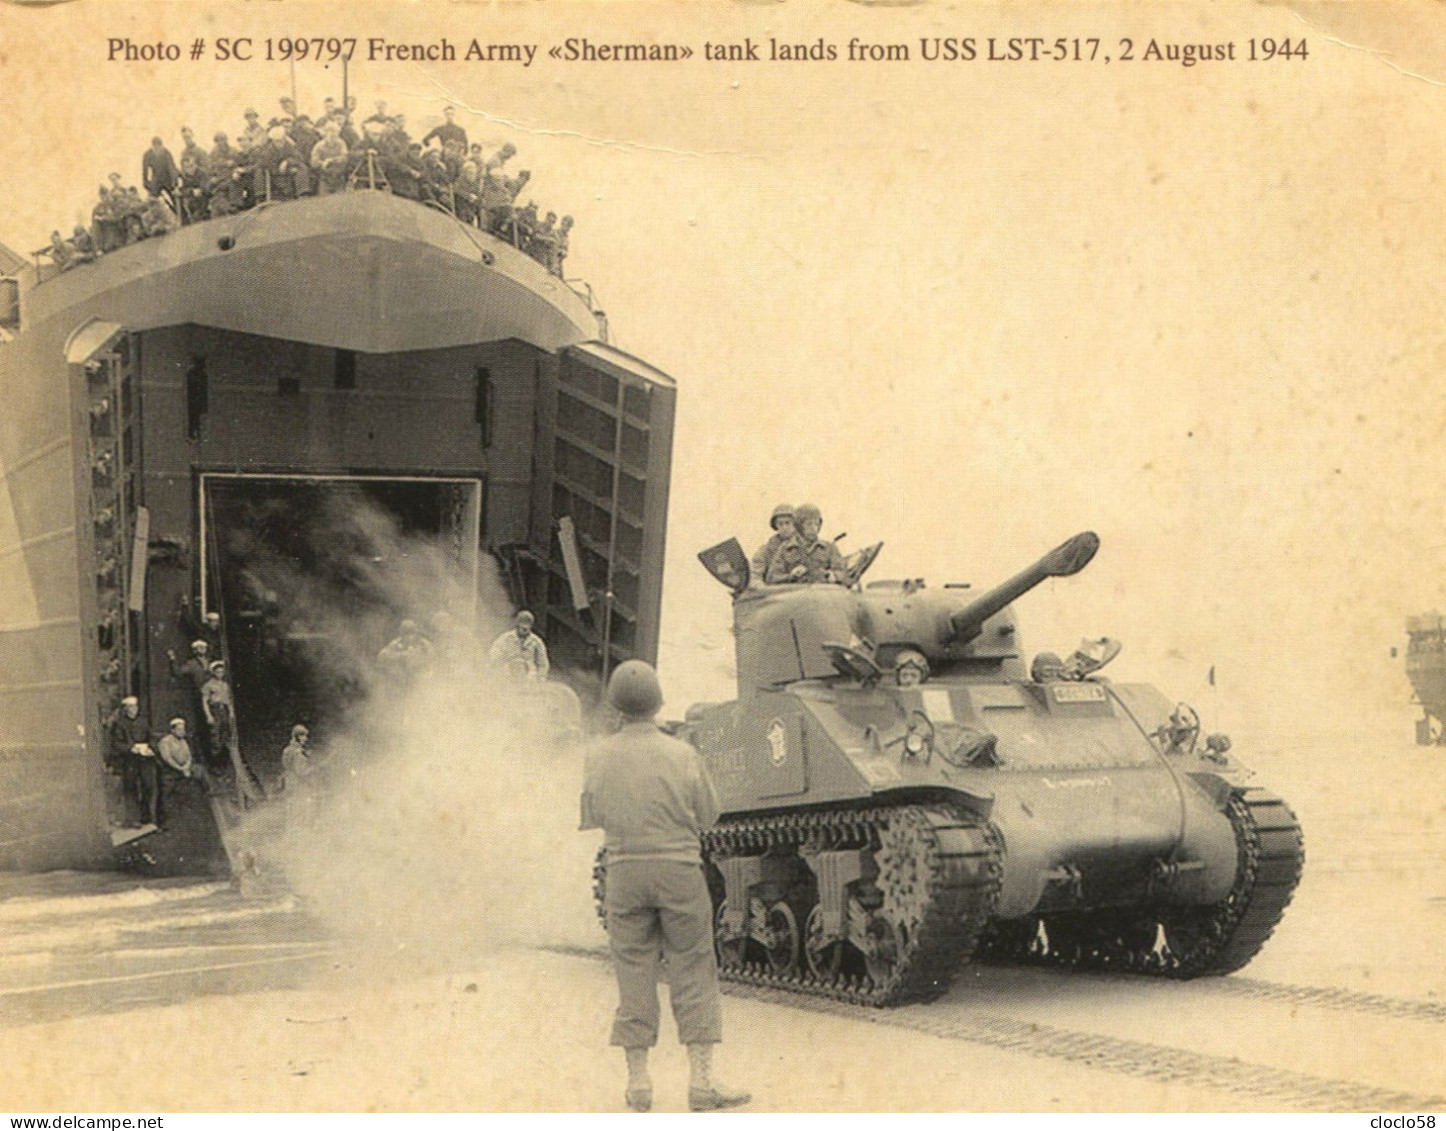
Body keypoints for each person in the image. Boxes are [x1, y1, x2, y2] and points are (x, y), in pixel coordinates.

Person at [581, 660, 749, 1113]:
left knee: (632, 971)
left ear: (616, 707)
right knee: (693, 968)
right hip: (679, 871)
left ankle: (639, 1085)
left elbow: (591, 815)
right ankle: (702, 1083)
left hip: (625, 873)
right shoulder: (683, 753)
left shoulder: (597, 755)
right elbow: (710, 814)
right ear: (658, 704)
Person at [763, 502, 846, 585]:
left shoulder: (829, 548)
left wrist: (833, 575)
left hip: (822, 594)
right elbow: (772, 578)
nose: (814, 528)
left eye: (816, 524)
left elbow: (844, 573)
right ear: (799, 526)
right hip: (795, 595)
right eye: (809, 524)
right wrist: (791, 576)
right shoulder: (785, 549)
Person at [108, 695, 159, 827]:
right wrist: (130, 748)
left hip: (145, 759)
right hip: (130, 760)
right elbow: (116, 743)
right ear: (125, 709)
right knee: (131, 788)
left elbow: (151, 737)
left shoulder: (143, 721)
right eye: (130, 707)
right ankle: (134, 818)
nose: (133, 709)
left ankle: (145, 816)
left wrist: (150, 747)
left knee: (148, 786)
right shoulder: (120, 724)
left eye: (135, 706)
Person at [489, 610, 549, 681]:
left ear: (531, 625)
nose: (525, 627)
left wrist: (541, 677)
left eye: (528, 623)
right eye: (522, 623)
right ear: (517, 624)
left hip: (529, 677)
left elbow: (543, 663)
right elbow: (494, 655)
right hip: (507, 674)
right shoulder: (506, 638)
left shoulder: (537, 642)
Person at [156, 716, 211, 793]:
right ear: (172, 730)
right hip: (173, 768)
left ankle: (207, 794)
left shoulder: (183, 740)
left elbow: (189, 756)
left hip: (185, 767)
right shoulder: (165, 741)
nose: (182, 731)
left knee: (200, 770)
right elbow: (168, 759)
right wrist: (181, 769)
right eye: (179, 729)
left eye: (183, 729)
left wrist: (186, 767)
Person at [376, 619, 434, 684]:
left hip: (421, 678)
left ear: (416, 632)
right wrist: (402, 655)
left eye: (411, 632)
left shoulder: (424, 644)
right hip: (401, 679)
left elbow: (432, 657)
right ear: (401, 633)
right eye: (405, 632)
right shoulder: (396, 643)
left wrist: (418, 657)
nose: (409, 636)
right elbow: (381, 656)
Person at [750, 503, 795, 582]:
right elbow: (755, 576)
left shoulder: (806, 547)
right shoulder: (765, 551)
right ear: (775, 526)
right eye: (780, 524)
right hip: (775, 592)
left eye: (788, 523)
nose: (784, 527)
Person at [141, 136, 178, 209]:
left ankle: (183, 217)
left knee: (175, 198)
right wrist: (147, 185)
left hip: (168, 178)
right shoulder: (147, 154)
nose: (157, 149)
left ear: (162, 146)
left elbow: (172, 169)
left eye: (159, 147)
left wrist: (174, 185)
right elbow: (145, 171)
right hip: (156, 178)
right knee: (152, 200)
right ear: (152, 146)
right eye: (155, 147)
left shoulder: (166, 153)